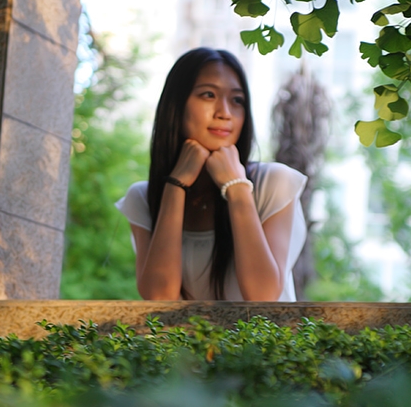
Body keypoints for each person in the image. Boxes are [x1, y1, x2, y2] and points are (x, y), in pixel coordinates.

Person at [116, 47, 307, 301]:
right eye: (208, 95)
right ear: (176, 105)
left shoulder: (273, 183)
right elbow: (160, 299)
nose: (224, 112)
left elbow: (262, 298)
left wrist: (237, 187)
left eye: (237, 100)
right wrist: (175, 186)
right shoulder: (143, 197)